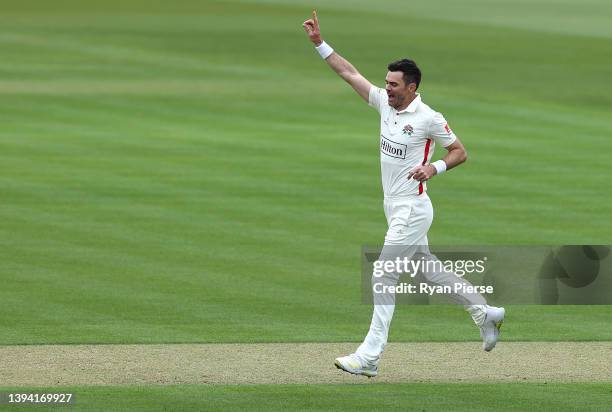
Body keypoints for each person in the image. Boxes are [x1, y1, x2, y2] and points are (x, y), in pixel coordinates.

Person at [302, 10, 505, 378]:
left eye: (394, 84)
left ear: (411, 86)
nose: (387, 88)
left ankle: (370, 356)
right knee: (427, 270)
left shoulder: (428, 117)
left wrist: (434, 167)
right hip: (394, 206)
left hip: (413, 208)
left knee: (383, 273)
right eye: (387, 83)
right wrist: (319, 43)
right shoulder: (384, 104)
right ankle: (484, 312)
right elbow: (349, 73)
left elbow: (459, 151)